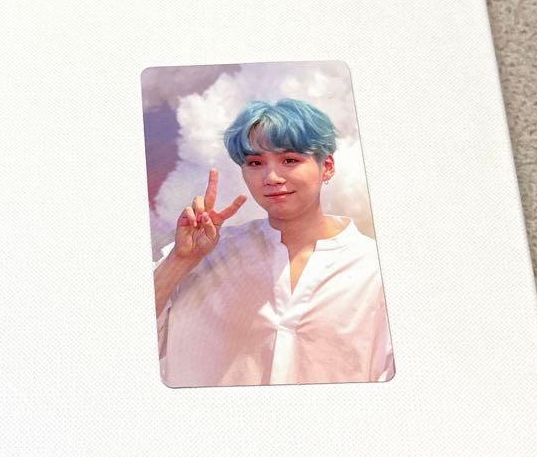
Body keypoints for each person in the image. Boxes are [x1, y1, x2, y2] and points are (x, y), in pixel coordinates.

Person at [153, 97, 395, 387]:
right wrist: (179, 261)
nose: (271, 177)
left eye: (289, 160)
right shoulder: (203, 253)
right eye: (255, 163)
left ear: (327, 166)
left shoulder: (374, 268)